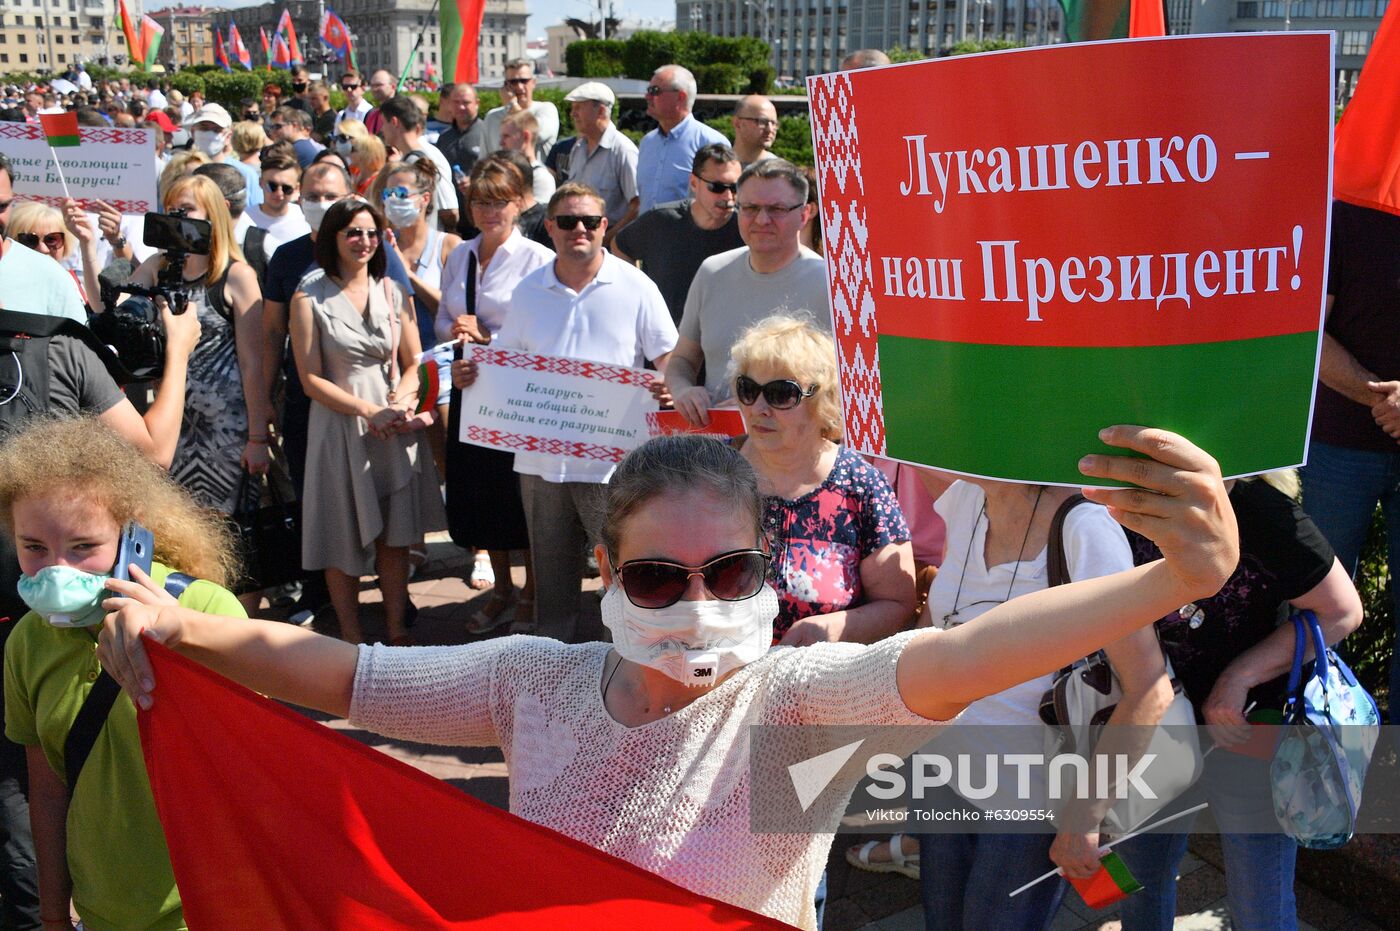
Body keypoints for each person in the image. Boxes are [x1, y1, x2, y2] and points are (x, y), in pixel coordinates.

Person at [99, 426, 1240, 931]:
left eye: (726, 568)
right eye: (654, 574)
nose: (694, 598)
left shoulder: (798, 700)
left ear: (764, 567)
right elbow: (346, 675)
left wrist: (1165, 580)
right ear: (602, 569)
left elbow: (961, 656)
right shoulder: (528, 682)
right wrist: (180, 631)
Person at [0, 419, 246, 931]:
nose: (57, 569)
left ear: (133, 535)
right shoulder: (26, 642)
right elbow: (46, 790)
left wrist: (181, 641)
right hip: (103, 911)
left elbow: (260, 763)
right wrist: (52, 915)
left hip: (213, 905)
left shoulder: (204, 611)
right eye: (34, 548)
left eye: (84, 546)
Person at [905, 473, 1174, 929]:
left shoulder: (1084, 529)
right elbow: (939, 621)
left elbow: (1150, 688)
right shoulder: (967, 497)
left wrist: (1084, 818)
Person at [1110, 471, 1363, 931]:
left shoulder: (1262, 509)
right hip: (1153, 724)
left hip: (1248, 725)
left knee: (1260, 905)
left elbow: (1343, 610)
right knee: (1139, 881)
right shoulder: (1118, 501)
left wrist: (1239, 677)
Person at [451, 183, 677, 642]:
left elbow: (670, 359)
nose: (580, 230)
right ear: (549, 227)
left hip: (611, 461)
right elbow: (508, 360)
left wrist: (671, 386)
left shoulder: (636, 286)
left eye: (590, 222)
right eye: (569, 221)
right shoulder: (529, 289)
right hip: (539, 462)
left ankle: (633, 655)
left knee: (622, 567)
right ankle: (554, 666)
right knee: (551, 574)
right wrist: (474, 376)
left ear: (604, 227)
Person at [288, 199, 446, 644]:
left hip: (390, 423)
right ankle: (352, 640)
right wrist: (366, 410)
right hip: (339, 425)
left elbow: (416, 360)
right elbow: (310, 379)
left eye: (371, 233)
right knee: (342, 536)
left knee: (395, 537)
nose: (364, 241)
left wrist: (401, 400)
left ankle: (397, 632)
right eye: (353, 232)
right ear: (334, 238)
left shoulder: (392, 290)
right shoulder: (308, 295)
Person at [728, 315, 915, 642]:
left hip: (821, 681)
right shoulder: (709, 472)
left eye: (780, 394)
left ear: (823, 400)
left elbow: (896, 603)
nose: (759, 407)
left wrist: (828, 631)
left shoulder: (860, 484)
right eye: (748, 389)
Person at [436, 157, 553, 632]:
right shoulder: (461, 254)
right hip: (471, 389)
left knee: (520, 497)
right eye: (481, 201)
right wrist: (459, 334)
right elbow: (445, 320)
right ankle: (502, 586)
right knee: (484, 496)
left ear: (520, 202)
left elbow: (543, 332)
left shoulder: (538, 260)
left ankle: (533, 591)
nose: (489, 211)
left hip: (519, 398)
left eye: (499, 201)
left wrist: (490, 341)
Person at [111, 174, 270, 523]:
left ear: (211, 215)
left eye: (186, 209)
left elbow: (253, 363)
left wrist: (259, 437)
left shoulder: (236, 275)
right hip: (173, 425)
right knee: (179, 529)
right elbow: (120, 316)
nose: (176, 217)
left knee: (224, 531)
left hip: (225, 430)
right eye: (170, 209)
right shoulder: (158, 270)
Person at [1300, 199, 1400, 711]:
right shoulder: (1350, 211)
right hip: (1336, 448)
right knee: (1316, 604)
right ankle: (1308, 753)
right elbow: (1307, 329)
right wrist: (1380, 397)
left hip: (1344, 444)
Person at [666, 159, 829, 423]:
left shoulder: (830, 285)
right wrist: (683, 390)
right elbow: (682, 359)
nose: (762, 220)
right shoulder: (712, 272)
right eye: (751, 208)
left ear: (805, 214)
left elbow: (847, 387)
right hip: (719, 450)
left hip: (795, 454)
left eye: (777, 209)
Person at [612, 143, 744, 325]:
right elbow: (620, 246)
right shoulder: (661, 220)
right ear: (694, 183)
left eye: (735, 187)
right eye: (717, 187)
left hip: (720, 339)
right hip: (664, 339)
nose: (728, 196)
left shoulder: (745, 230)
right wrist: (637, 291)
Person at [376, 158, 462, 366]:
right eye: (389, 194)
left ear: (425, 198)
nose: (394, 200)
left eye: (402, 194)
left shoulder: (449, 246)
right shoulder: (378, 244)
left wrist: (407, 274)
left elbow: (456, 312)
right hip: (392, 364)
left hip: (440, 364)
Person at [636, 65, 728, 215]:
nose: (647, 97)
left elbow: (721, 200)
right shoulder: (647, 142)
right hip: (647, 236)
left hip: (689, 237)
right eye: (648, 91)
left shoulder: (710, 142)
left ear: (680, 97)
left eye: (654, 91)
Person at [563, 83, 638, 238]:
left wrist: (608, 237)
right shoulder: (578, 148)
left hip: (609, 243)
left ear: (601, 111)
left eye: (578, 108)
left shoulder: (623, 150)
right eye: (573, 108)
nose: (573, 114)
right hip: (579, 236)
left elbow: (637, 206)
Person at [379, 96, 459, 232]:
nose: (381, 129)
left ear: (394, 122)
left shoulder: (428, 155)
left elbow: (450, 210)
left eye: (383, 123)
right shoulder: (406, 157)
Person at [8, 201, 98, 314]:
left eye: (51, 239)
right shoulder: (6, 283)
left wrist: (87, 243)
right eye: (29, 240)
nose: (43, 249)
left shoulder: (76, 283)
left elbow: (101, 308)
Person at [184, 102, 262, 208]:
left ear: (228, 137)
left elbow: (256, 213)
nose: (209, 134)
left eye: (216, 130)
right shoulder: (180, 169)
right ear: (193, 132)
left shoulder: (246, 174)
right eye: (204, 128)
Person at [481, 59, 559, 160]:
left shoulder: (546, 110)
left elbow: (535, 134)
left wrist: (511, 105)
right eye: (513, 82)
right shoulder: (492, 117)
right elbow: (484, 157)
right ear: (505, 86)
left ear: (533, 83)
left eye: (524, 81)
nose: (519, 86)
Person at [245, 150, 311, 256]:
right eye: (272, 186)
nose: (279, 193)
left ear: (297, 188)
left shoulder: (306, 218)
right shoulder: (245, 218)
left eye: (286, 188)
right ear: (260, 183)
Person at [499, 110, 556, 204]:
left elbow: (537, 216)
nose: (501, 143)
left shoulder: (541, 178)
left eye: (506, 136)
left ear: (526, 137)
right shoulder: (504, 172)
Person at [731, 95, 779, 167]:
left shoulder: (781, 172)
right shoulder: (718, 168)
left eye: (774, 123)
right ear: (737, 123)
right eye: (762, 122)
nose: (770, 129)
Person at [348, 132, 388, 198]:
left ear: (363, 154)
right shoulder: (357, 172)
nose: (349, 153)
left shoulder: (377, 181)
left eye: (353, 149)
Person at [363, 70, 396, 136]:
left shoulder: (403, 112)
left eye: (379, 85)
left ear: (392, 86)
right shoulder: (371, 115)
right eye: (372, 85)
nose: (374, 89)